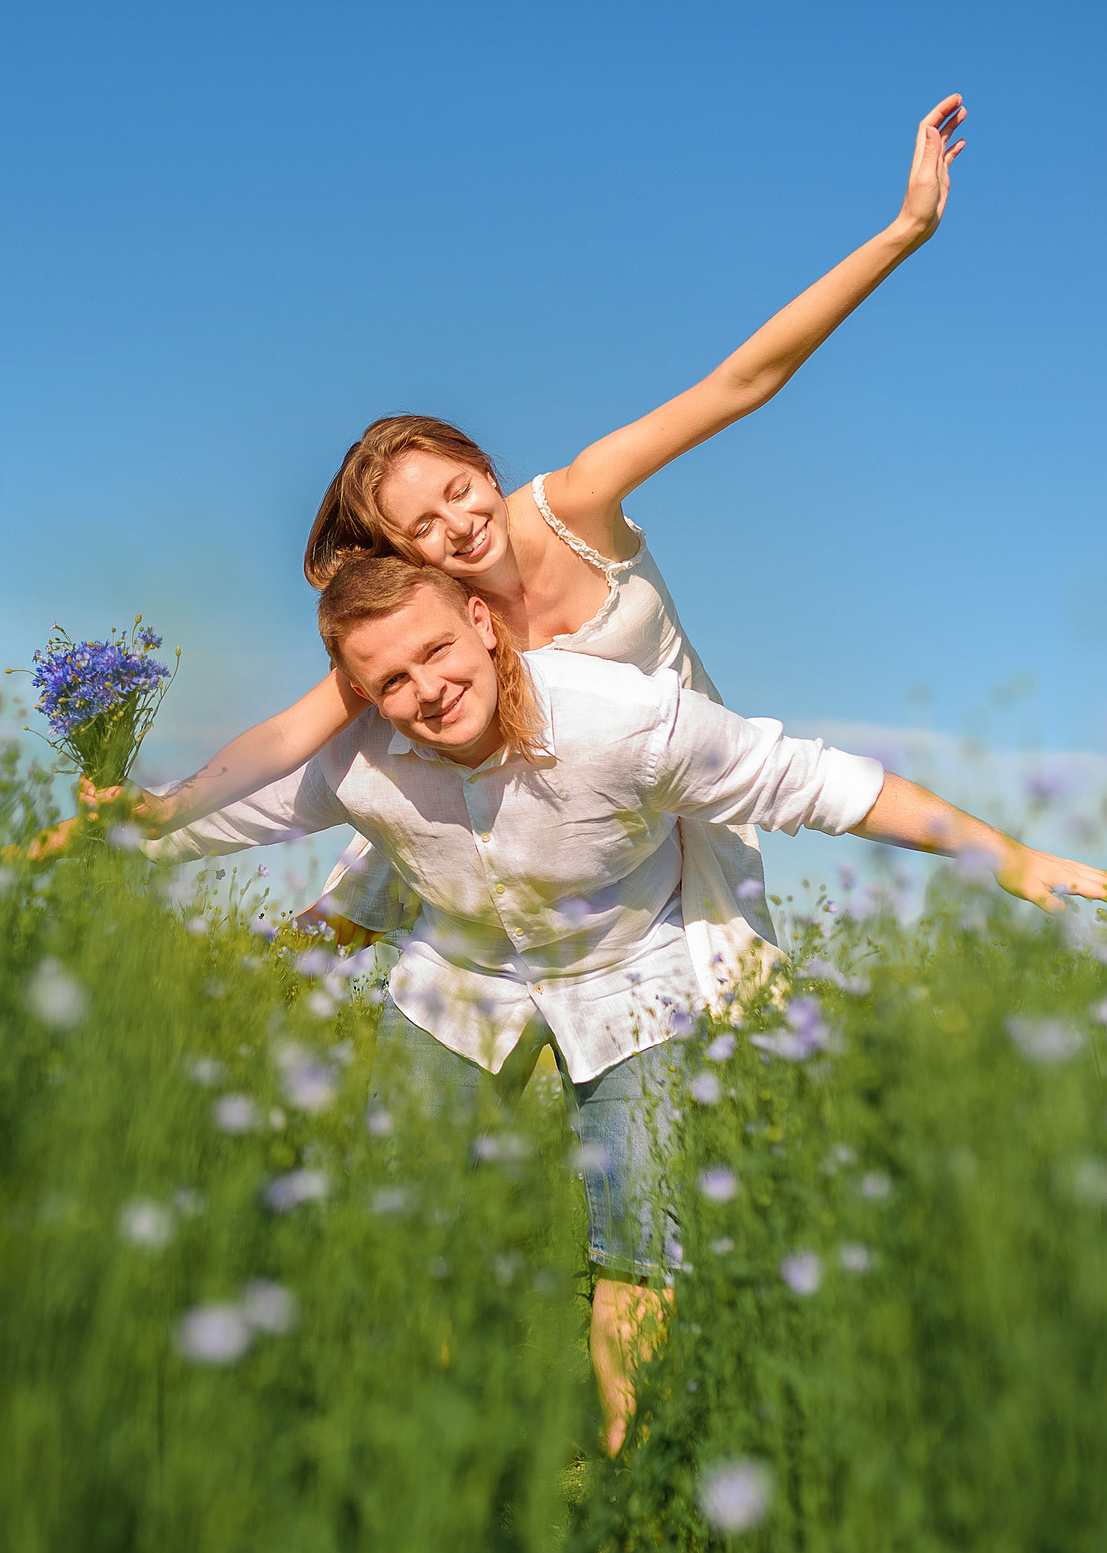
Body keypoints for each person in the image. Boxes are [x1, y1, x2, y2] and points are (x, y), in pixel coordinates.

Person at [74, 554, 1107, 1457]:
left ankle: (626, 1468)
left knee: (638, 1240)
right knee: (404, 1217)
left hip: (632, 978)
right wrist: (110, 829)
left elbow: (822, 782)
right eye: (388, 680)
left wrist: (1009, 855)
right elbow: (220, 818)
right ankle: (438, 1447)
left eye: (437, 652)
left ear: (482, 623)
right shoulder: (351, 764)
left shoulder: (624, 721)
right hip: (461, 983)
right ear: (355, 692)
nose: (427, 690)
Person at [114, 94, 973, 1000]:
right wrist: (170, 807)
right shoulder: (439, 613)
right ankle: (256, 999)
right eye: (422, 529)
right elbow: (292, 733)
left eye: (459, 489)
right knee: (403, 811)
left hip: (678, 775)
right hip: (546, 796)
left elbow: (741, 382)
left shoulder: (575, 499)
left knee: (740, 1005)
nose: (457, 525)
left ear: (483, 466)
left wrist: (905, 230)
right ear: (399, 549)